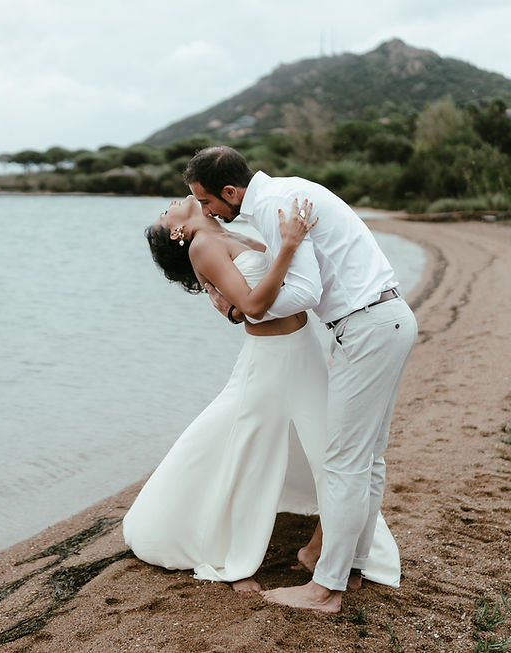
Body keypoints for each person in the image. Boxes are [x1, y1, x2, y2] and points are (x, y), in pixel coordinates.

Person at [122, 195, 401, 595]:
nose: (170, 203)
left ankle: (340, 553)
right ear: (177, 231)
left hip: (303, 348)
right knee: (252, 453)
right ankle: (237, 560)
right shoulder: (203, 245)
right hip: (270, 360)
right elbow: (253, 306)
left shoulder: (230, 231)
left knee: (332, 449)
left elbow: (254, 300)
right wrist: (287, 246)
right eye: (165, 214)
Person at [184, 145, 417, 613]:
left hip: (367, 325)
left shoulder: (274, 208)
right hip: (386, 318)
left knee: (345, 461)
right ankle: (350, 561)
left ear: (230, 193)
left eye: (207, 202)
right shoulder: (286, 192)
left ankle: (326, 588)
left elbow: (307, 290)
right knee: (366, 459)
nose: (206, 212)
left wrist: (249, 308)